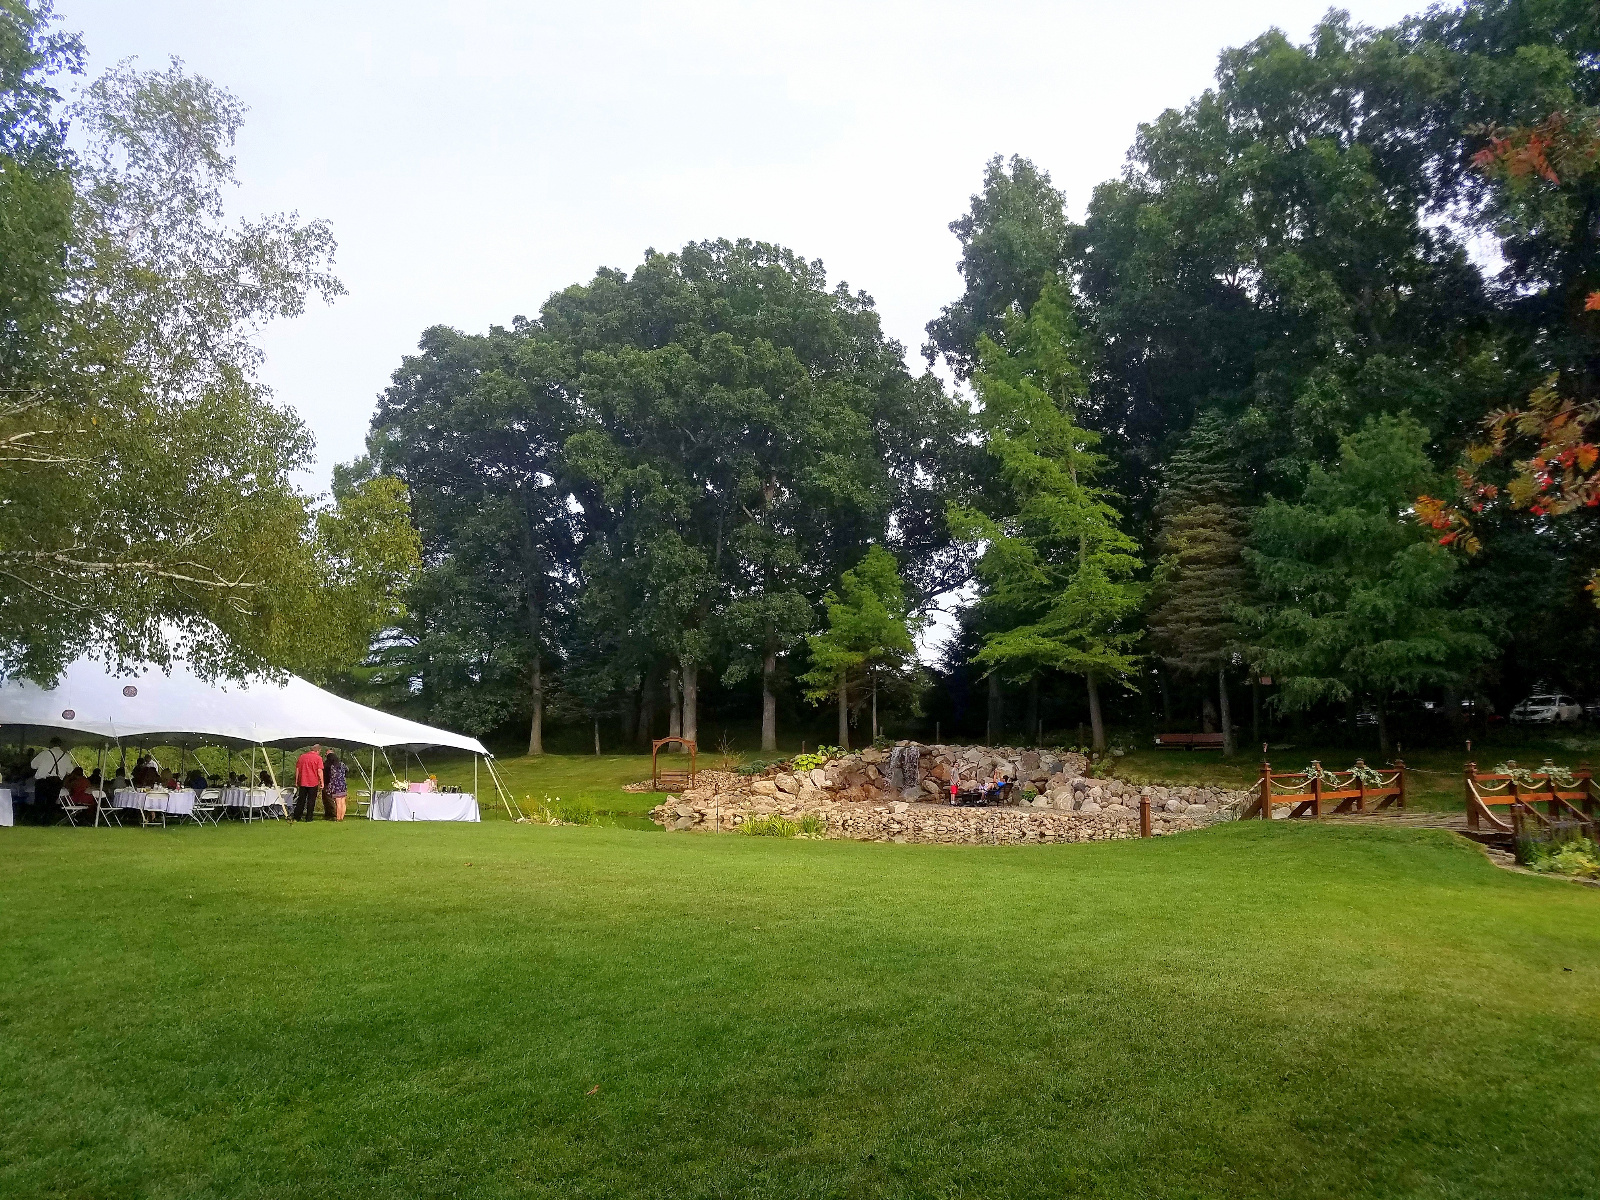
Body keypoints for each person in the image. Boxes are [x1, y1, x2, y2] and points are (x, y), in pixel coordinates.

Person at [31, 738, 72, 810]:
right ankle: (48, 818)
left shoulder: (44, 753)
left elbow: (33, 765)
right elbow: (70, 770)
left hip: (42, 781)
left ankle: (38, 819)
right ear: (60, 745)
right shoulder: (66, 756)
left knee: (39, 802)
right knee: (51, 803)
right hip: (56, 782)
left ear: (50, 744)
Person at [293, 744, 324, 822]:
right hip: (313, 782)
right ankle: (309, 817)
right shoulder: (318, 758)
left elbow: (297, 769)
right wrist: (322, 782)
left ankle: (297, 816)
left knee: (301, 800)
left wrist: (296, 780)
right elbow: (319, 771)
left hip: (303, 781)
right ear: (318, 750)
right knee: (311, 800)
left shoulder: (302, 757)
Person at [322, 750, 347, 821]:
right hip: (343, 784)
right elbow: (347, 770)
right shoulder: (342, 764)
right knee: (343, 802)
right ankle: (342, 817)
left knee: (338, 802)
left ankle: (338, 818)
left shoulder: (332, 766)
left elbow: (332, 776)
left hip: (336, 785)